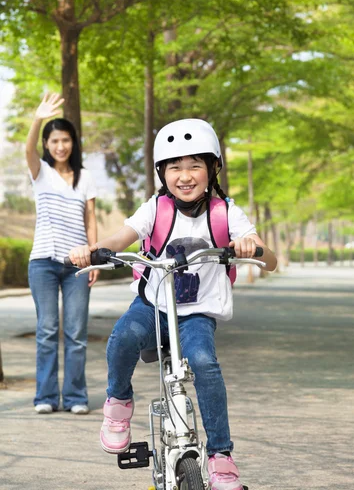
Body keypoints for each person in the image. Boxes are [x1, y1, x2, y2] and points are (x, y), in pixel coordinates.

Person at [69, 119, 277, 490]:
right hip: (154, 306)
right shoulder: (156, 209)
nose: (185, 175)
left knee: (204, 363)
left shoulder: (225, 213)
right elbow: (123, 235)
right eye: (174, 167)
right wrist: (95, 249)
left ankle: (220, 456)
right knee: (123, 337)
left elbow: (267, 255)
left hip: (196, 315)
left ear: (213, 168)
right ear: (161, 173)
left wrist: (251, 246)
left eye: (195, 165)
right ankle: (118, 403)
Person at [26, 93, 99, 415]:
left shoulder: (85, 177)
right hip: (42, 262)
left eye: (65, 140)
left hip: (77, 265)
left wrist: (96, 257)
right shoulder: (40, 172)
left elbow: (91, 219)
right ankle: (44, 397)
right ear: (47, 143)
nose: (60, 146)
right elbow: (27, 149)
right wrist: (37, 118)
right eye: (54, 140)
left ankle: (75, 397)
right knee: (46, 331)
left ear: (73, 143)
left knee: (76, 333)